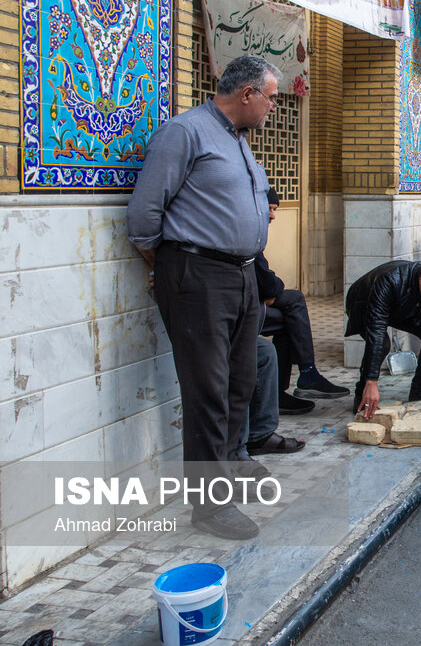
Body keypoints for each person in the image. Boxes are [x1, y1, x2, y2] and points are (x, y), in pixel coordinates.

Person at [127, 55, 280, 540]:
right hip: (197, 274)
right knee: (208, 389)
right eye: (272, 98)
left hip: (241, 274)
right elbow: (145, 212)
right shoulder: (186, 132)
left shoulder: (237, 141)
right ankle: (210, 507)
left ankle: (230, 468)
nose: (274, 108)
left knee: (240, 379)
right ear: (248, 93)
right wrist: (170, 264)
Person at [257, 188, 350, 415]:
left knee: (288, 319)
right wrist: (270, 290)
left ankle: (279, 393)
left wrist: (271, 289)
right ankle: (307, 373)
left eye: (275, 209)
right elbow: (266, 282)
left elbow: (266, 279)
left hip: (253, 300)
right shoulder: (244, 231)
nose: (272, 216)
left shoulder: (253, 231)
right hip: (235, 305)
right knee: (296, 299)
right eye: (269, 209)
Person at [345, 256, 421, 416]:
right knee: (382, 344)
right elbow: (375, 334)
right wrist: (371, 381)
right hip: (363, 301)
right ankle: (363, 392)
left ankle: (418, 390)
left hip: (405, 305)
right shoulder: (389, 281)